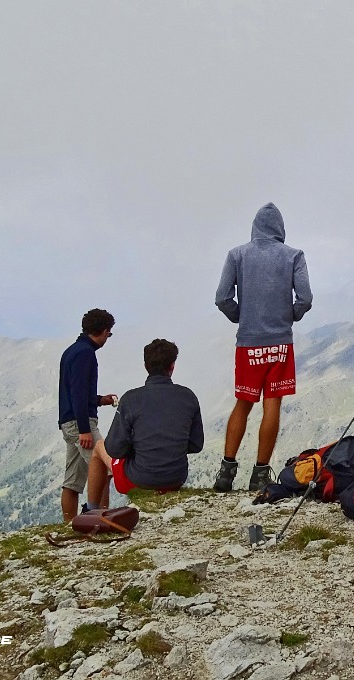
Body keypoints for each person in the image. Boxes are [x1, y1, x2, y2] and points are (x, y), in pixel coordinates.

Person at [213, 203, 313, 493]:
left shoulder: (237, 255)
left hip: (248, 343)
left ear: (254, 227)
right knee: (273, 404)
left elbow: (222, 298)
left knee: (243, 403)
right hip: (280, 342)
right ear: (280, 229)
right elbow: (305, 298)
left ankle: (226, 472)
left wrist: (240, 316)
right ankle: (259, 473)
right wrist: (290, 315)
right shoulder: (294, 256)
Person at [87, 339, 204, 502]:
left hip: (139, 480)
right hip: (176, 479)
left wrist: (137, 449)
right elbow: (196, 445)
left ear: (145, 366)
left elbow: (113, 449)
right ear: (172, 366)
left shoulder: (130, 399)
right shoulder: (188, 396)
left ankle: (94, 511)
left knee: (99, 447)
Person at [57, 308, 118, 523]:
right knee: (103, 468)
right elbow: (79, 394)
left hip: (68, 422)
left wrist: (100, 400)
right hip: (80, 424)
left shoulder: (72, 351)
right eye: (108, 334)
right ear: (103, 331)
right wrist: (84, 428)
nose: (107, 339)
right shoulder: (86, 354)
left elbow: (76, 392)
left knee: (73, 480)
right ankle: (101, 518)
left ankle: (69, 522)